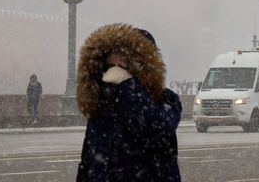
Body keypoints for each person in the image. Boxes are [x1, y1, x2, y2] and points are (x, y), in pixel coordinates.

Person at [76, 23, 182, 182]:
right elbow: (88, 158)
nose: (116, 71)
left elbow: (159, 129)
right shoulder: (103, 102)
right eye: (112, 66)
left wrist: (128, 86)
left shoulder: (165, 99)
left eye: (123, 66)